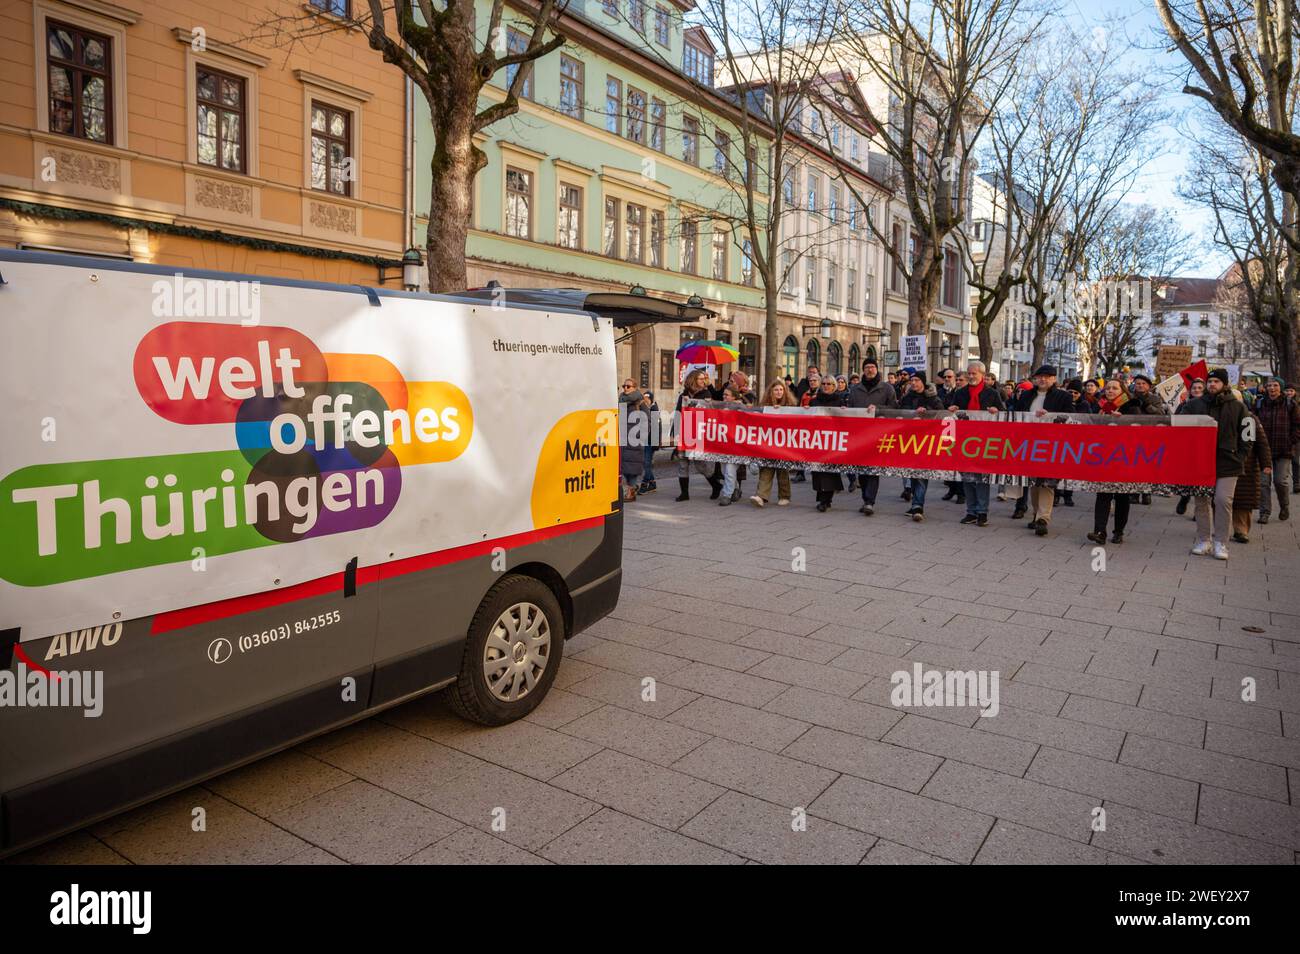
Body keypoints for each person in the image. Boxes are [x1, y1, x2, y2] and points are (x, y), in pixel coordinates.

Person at [1193, 369, 1253, 560]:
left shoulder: (1238, 407)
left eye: (1216, 381)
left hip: (1229, 463)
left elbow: (1248, 434)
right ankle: (1204, 540)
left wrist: (1241, 456)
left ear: (1225, 384)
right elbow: (1179, 428)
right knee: (1201, 502)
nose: (1212, 384)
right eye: (1210, 381)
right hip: (1200, 462)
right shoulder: (1194, 405)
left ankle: (1221, 543)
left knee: (1222, 501)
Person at [1086, 380, 1152, 544]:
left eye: (1114, 388)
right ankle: (1099, 531)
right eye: (1108, 388)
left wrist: (1124, 420)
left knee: (1122, 497)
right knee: (1103, 494)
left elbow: (1140, 429)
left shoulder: (1132, 406)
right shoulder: (1098, 406)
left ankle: (1119, 531)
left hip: (1124, 457)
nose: (1110, 391)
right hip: (1103, 457)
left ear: (1122, 391)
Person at [1013, 365, 1074, 536]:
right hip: (1029, 443)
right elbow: (1016, 413)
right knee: (1034, 482)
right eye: (1040, 376)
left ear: (1054, 379)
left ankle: (1043, 518)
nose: (1043, 379)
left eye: (1047, 377)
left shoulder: (1063, 396)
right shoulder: (1027, 395)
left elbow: (1071, 416)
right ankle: (1035, 515)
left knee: (1047, 482)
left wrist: (1050, 415)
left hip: (1051, 443)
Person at [948, 360, 1005, 526]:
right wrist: (951, 408)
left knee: (981, 478)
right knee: (967, 477)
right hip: (964, 439)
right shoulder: (960, 392)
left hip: (984, 441)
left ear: (982, 375)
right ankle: (970, 511)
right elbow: (950, 408)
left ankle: (982, 512)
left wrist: (997, 411)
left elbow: (1003, 413)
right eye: (969, 373)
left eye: (974, 374)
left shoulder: (992, 393)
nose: (971, 376)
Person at [846, 358, 898, 515]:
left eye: (872, 367)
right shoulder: (855, 389)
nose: (870, 370)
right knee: (862, 469)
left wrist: (879, 409)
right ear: (863, 370)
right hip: (860, 434)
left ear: (877, 369)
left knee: (873, 468)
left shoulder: (887, 388)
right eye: (867, 367)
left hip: (879, 434)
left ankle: (869, 501)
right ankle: (865, 498)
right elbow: (850, 409)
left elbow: (894, 408)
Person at [674, 369, 725, 501]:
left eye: (704, 379)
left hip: (698, 433)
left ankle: (716, 485)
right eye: (700, 379)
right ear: (693, 380)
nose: (703, 381)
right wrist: (676, 433)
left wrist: (692, 402)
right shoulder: (683, 395)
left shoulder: (706, 393)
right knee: (682, 463)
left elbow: (706, 412)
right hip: (684, 431)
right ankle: (684, 493)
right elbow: (678, 413)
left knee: (701, 465)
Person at [899, 371, 943, 521]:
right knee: (913, 472)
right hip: (909, 439)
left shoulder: (933, 398)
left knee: (922, 473)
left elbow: (940, 415)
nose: (914, 383)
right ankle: (915, 504)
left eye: (917, 380)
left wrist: (927, 412)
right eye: (912, 380)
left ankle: (918, 505)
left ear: (923, 382)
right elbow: (899, 413)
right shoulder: (907, 397)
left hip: (926, 440)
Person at [1255, 377, 1298, 524]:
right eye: (1269, 386)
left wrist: (1290, 441)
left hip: (1283, 450)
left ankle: (1284, 506)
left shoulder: (1290, 404)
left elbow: (1297, 426)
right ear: (1266, 388)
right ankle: (1264, 512)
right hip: (1263, 451)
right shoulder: (1259, 404)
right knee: (1263, 483)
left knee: (1280, 481)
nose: (1272, 388)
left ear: (1281, 388)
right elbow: (1253, 422)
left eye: (1275, 385)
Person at [750, 380, 795, 508]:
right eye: (776, 390)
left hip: (784, 442)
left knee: (782, 470)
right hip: (768, 442)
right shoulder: (764, 405)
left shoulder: (791, 405)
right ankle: (761, 496)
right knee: (766, 468)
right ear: (771, 392)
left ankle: (784, 496)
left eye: (781, 390)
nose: (779, 392)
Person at [1232, 406, 1272, 543]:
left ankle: (1241, 530)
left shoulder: (1250, 418)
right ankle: (1220, 528)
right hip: (1224, 463)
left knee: (1244, 500)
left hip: (1247, 465)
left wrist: (1266, 463)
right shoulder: (1218, 414)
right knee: (1221, 499)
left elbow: (1262, 442)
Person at [810, 375, 846, 511]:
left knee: (829, 471)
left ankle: (826, 500)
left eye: (829, 384)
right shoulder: (814, 401)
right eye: (824, 383)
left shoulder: (839, 401)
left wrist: (844, 412)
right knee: (818, 471)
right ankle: (821, 498)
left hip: (832, 440)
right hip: (817, 439)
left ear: (834, 386)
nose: (826, 386)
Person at [1174, 378, 1207, 516]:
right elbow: (1175, 422)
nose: (1197, 390)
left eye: (1200, 388)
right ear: (1190, 390)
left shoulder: (1209, 405)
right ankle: (1184, 497)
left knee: (1202, 478)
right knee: (1188, 476)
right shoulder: (1183, 405)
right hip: (1187, 445)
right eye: (1194, 388)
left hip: (1204, 446)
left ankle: (1198, 510)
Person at [619, 379, 649, 500]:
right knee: (624, 466)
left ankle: (631, 493)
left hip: (634, 439)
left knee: (632, 467)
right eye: (624, 386)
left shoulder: (640, 402)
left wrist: (640, 436)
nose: (625, 388)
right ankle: (632, 488)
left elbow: (648, 420)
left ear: (635, 388)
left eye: (628, 386)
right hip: (622, 438)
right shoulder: (621, 401)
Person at [638, 389, 660, 495]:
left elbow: (656, 428)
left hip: (650, 440)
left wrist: (655, 444)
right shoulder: (646, 409)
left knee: (646, 463)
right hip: (646, 439)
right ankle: (652, 483)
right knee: (646, 463)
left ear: (650, 399)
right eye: (644, 399)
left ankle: (644, 483)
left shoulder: (654, 409)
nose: (645, 401)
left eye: (646, 399)